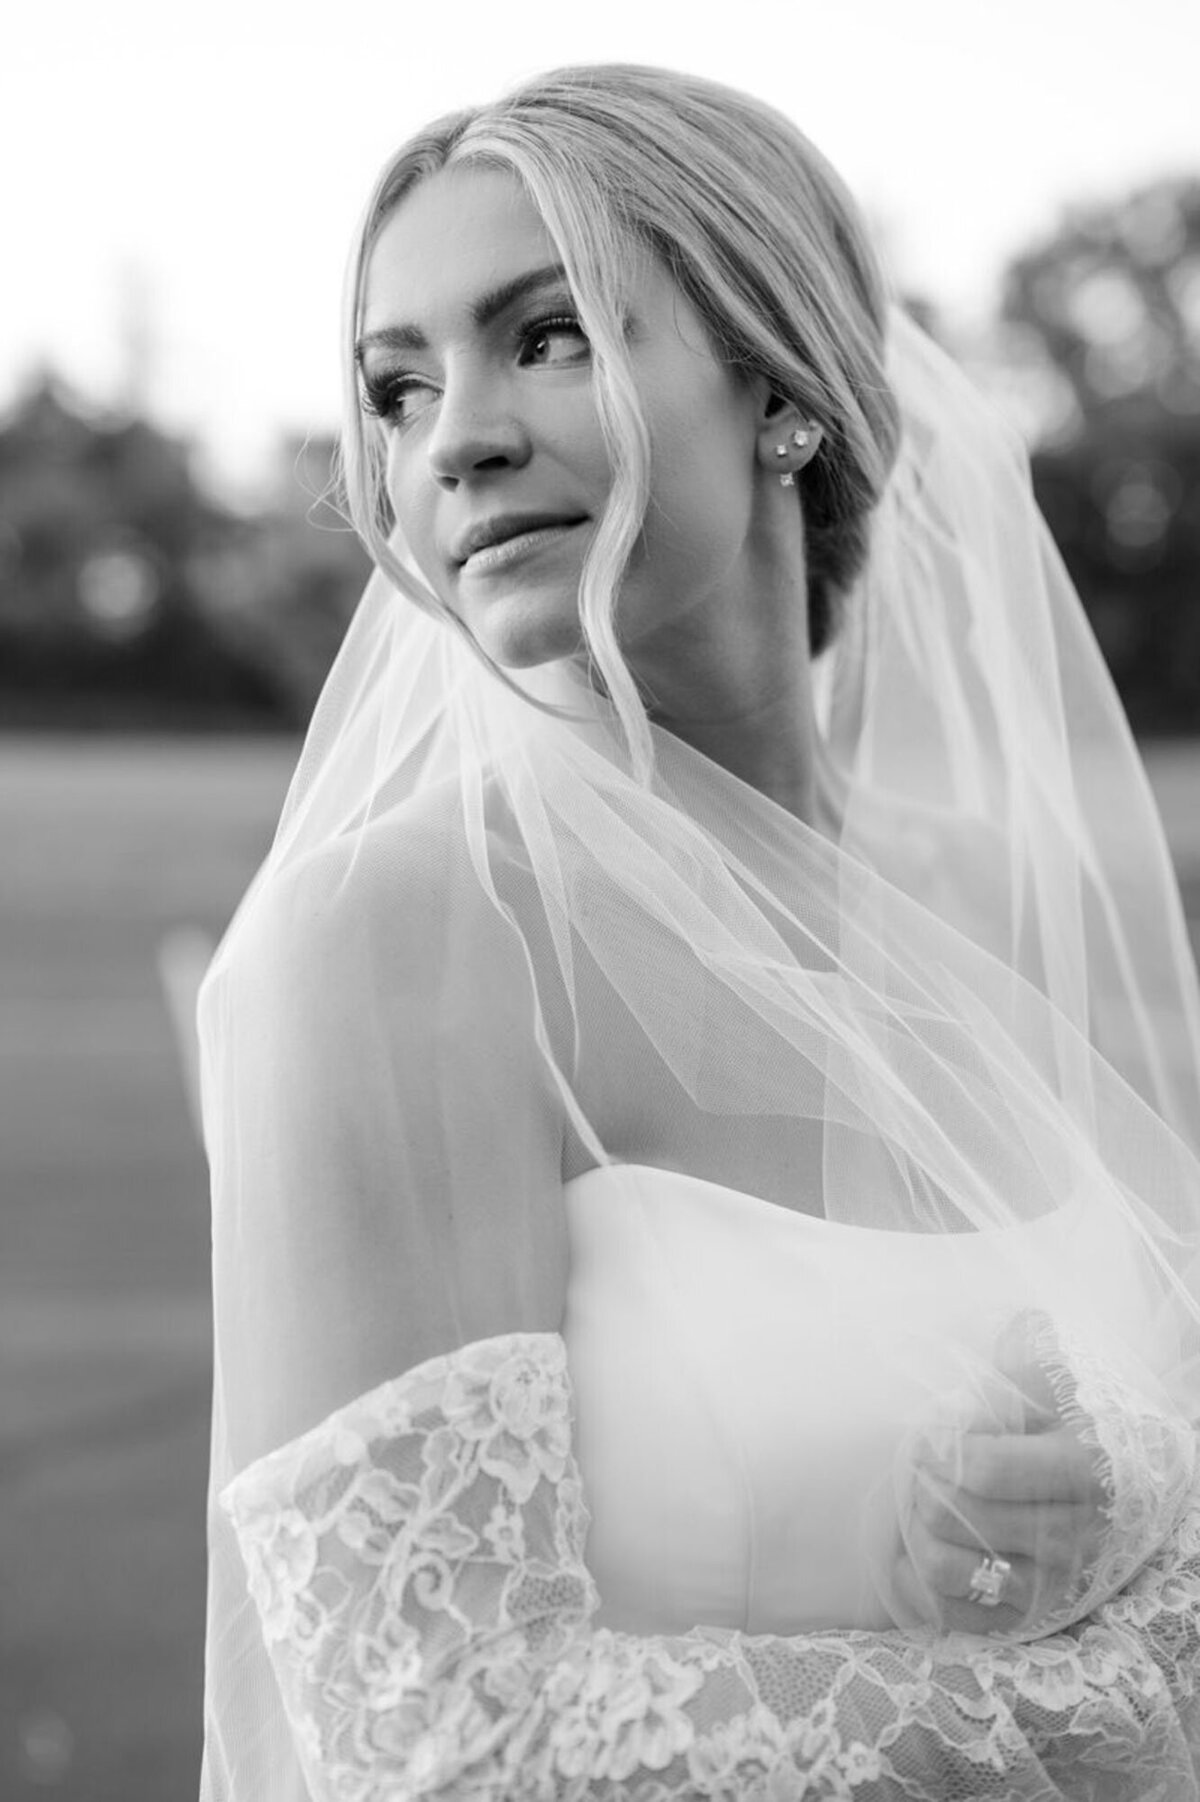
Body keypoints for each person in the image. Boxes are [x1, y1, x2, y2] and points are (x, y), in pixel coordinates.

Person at [197, 64, 1200, 1800]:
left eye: (552, 334)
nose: (459, 435)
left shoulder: (990, 907)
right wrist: (1077, 1706)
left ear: (780, 387)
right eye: (398, 384)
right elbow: (439, 1740)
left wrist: (1082, 1532)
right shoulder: (395, 942)